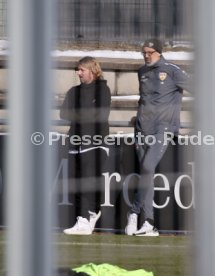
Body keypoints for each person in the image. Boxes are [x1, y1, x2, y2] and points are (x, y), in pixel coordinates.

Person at [125, 38, 190, 236]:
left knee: (147, 167)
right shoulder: (142, 72)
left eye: (150, 52)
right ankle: (148, 223)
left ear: (159, 52)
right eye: (143, 52)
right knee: (148, 175)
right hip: (142, 129)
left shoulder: (172, 70)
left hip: (163, 129)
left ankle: (134, 212)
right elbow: (143, 100)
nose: (146, 55)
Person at [60, 56, 111, 235]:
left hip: (96, 141)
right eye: (77, 69)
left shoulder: (103, 90)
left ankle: (86, 217)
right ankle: (87, 216)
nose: (78, 73)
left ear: (92, 71)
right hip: (75, 140)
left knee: (87, 181)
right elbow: (64, 113)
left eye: (82, 69)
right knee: (75, 181)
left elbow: (101, 115)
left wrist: (79, 114)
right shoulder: (74, 91)